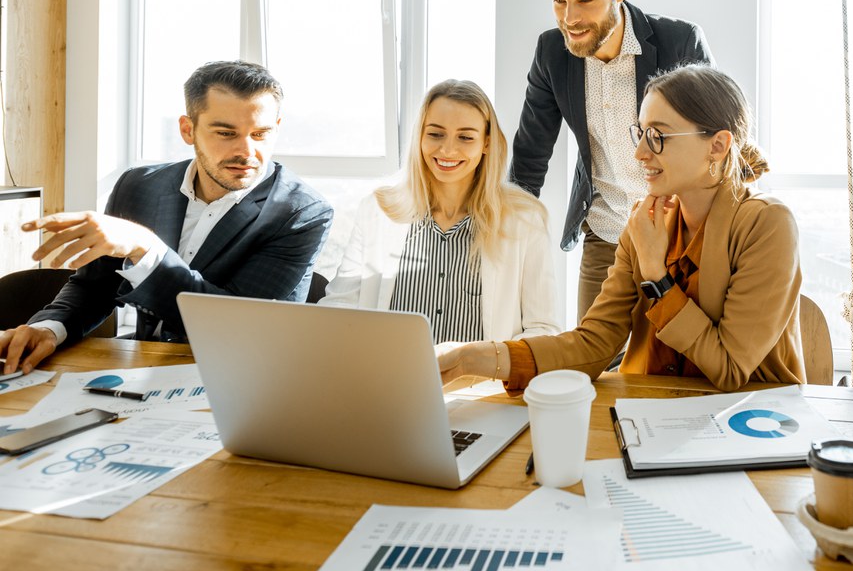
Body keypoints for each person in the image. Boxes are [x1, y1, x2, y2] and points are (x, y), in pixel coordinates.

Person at [442, 64, 805, 393]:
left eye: (658, 136)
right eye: (641, 133)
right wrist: (473, 359)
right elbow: (594, 344)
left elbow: (728, 368)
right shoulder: (643, 223)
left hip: (750, 426)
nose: (641, 153)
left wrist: (656, 276)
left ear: (718, 145)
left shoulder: (767, 223)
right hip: (651, 416)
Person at [0, 61, 333, 375]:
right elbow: (95, 286)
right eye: (225, 133)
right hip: (141, 370)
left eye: (260, 134)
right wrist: (49, 329)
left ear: (276, 128)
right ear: (188, 130)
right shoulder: (139, 185)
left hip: (239, 381)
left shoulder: (300, 213)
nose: (246, 151)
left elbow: (238, 328)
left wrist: (145, 248)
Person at [510, 0, 714, 321]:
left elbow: (720, 146)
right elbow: (529, 159)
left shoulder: (680, 42)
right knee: (595, 368)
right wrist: (504, 240)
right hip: (605, 233)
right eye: (558, 1)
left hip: (681, 235)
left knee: (679, 366)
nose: (569, 18)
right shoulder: (551, 53)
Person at [321, 80, 560, 343]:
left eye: (465, 137)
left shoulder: (524, 220)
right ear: (420, 136)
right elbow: (338, 309)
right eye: (435, 134)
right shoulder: (378, 211)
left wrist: (492, 363)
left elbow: (543, 330)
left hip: (483, 383)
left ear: (487, 143)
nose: (447, 150)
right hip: (389, 380)